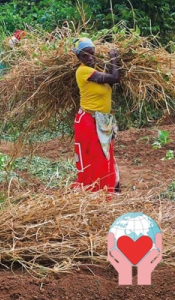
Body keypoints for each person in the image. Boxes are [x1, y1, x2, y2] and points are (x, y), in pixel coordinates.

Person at [72, 37, 121, 193]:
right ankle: (96, 193)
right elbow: (115, 78)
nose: (89, 58)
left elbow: (111, 81)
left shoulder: (97, 69)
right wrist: (114, 57)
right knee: (96, 157)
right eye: (84, 56)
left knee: (106, 155)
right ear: (79, 58)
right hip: (88, 120)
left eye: (91, 54)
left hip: (103, 120)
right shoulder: (83, 71)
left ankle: (109, 188)